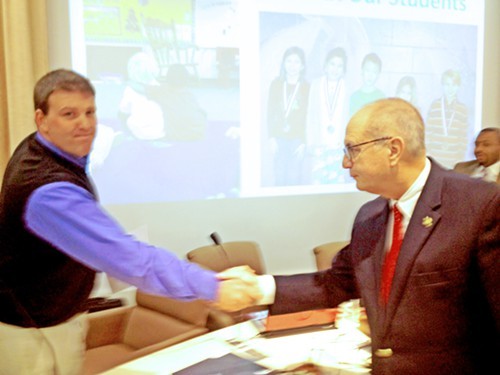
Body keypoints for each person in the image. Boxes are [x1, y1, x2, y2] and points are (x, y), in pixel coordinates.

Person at [0, 69, 258, 375]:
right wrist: (213, 287)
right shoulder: (49, 193)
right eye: (69, 114)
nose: (84, 124)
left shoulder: (44, 150)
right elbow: (130, 259)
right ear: (41, 120)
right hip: (34, 332)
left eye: (90, 112)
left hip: (53, 318)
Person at [227, 98, 500, 374]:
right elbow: (335, 283)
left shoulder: (479, 205)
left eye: (352, 150)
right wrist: (256, 290)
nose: (346, 163)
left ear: (393, 149)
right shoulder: (369, 217)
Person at [267, 46, 310, 186]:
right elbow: (270, 112)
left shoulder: (307, 87)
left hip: (297, 140)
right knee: (279, 176)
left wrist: (304, 141)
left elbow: (308, 117)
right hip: (278, 138)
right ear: (283, 64)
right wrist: (271, 137)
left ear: (302, 66)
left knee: (293, 177)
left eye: (296, 62)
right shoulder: (276, 85)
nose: (292, 66)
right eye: (289, 61)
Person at [306, 47, 349, 184]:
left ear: (343, 70)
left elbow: (347, 116)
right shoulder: (316, 84)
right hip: (319, 142)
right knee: (318, 180)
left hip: (338, 144)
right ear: (325, 66)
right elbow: (310, 114)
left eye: (339, 66)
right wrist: (310, 140)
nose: (335, 69)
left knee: (336, 181)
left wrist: (346, 142)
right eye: (332, 64)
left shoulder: (346, 87)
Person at [425, 69, 469, 168]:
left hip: (453, 160)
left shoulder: (462, 109)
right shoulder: (435, 106)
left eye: (454, 85)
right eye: (447, 84)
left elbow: (463, 136)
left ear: (458, 87)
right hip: (435, 158)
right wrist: (429, 154)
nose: (450, 88)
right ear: (442, 86)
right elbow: (428, 132)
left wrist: (460, 158)